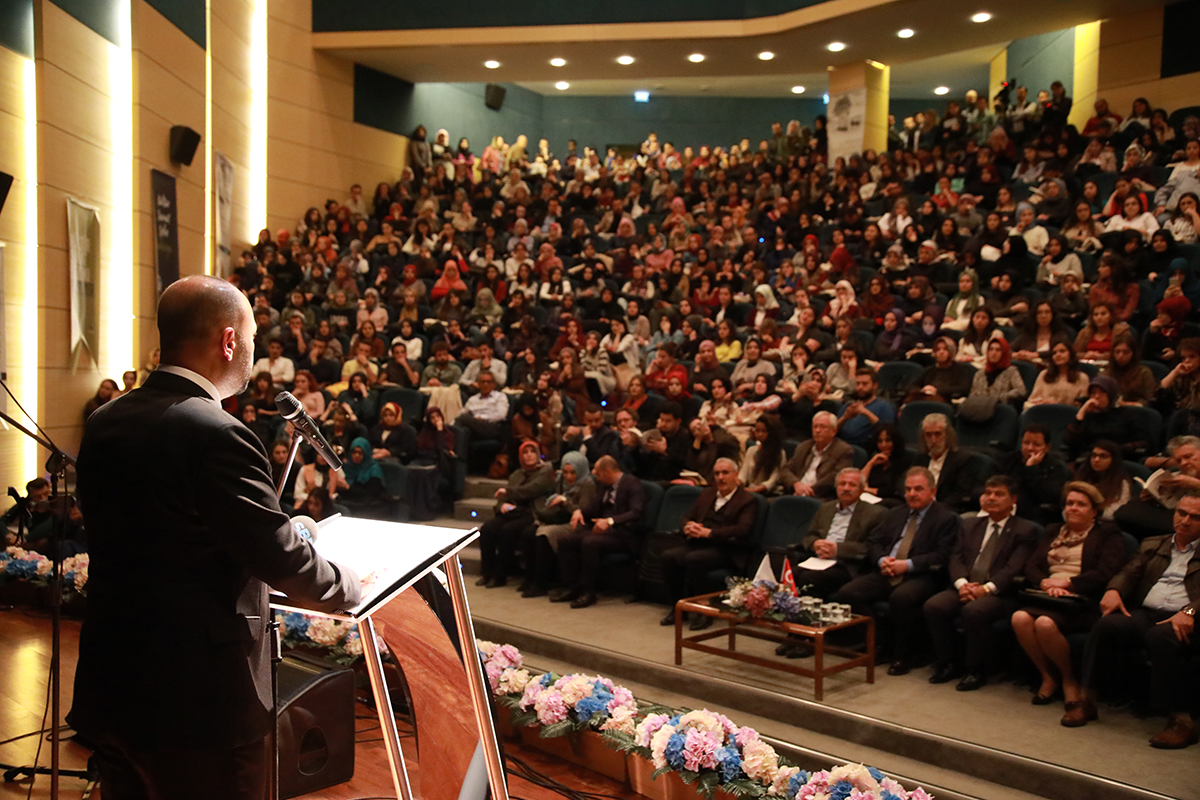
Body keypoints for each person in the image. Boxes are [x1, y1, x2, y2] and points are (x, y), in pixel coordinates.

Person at [73, 275, 361, 799]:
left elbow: (168, 531)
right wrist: (353, 584)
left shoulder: (105, 422)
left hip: (114, 682)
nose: (251, 353)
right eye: (250, 339)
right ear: (229, 341)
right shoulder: (218, 433)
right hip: (199, 703)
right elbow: (280, 560)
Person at [1078, 492, 1200, 746]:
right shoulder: (1154, 543)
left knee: (1161, 637)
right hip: (1148, 612)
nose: (1185, 521)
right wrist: (1114, 590)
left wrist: (1188, 613)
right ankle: (1086, 700)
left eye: (1195, 517)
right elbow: (1128, 572)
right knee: (1107, 625)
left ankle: (1182, 720)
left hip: (1188, 617)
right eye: (1181, 513)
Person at [1010, 482, 1127, 721]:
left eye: (1081, 504)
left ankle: (1069, 680)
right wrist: (1044, 582)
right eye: (1070, 503)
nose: (1073, 508)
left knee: (1044, 624)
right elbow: (1031, 565)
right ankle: (1047, 677)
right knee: (1019, 618)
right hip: (1047, 595)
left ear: (1094, 510)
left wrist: (1069, 584)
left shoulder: (1107, 533)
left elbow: (1107, 571)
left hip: (1082, 599)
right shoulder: (1054, 530)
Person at [832, 467, 961, 675]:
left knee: (901, 598)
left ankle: (904, 654)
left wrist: (907, 564)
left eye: (918, 489)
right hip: (888, 569)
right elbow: (874, 543)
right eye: (908, 489)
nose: (912, 494)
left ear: (933, 491)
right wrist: (883, 559)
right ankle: (881, 643)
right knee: (849, 592)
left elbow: (942, 556)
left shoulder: (946, 518)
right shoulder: (895, 513)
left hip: (922, 575)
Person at [923, 476, 1040, 691]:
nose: (991, 498)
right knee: (934, 606)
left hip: (1000, 593)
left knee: (973, 611)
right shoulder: (969, 524)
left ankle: (975, 669)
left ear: (1013, 499)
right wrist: (962, 585)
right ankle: (948, 662)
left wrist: (985, 589)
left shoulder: (1025, 530)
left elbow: (1013, 568)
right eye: (988, 493)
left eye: (999, 494)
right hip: (966, 586)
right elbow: (956, 558)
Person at [659, 458, 758, 629]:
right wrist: (688, 526)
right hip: (700, 544)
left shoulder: (747, 500)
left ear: (736, 475)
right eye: (717, 473)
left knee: (694, 559)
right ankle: (678, 607)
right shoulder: (707, 494)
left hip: (728, 549)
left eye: (725, 473)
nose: (721, 477)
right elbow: (686, 517)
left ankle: (705, 611)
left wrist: (710, 532)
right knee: (668, 556)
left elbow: (743, 530)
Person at [550, 455, 646, 609]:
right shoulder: (603, 486)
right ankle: (573, 587)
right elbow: (593, 508)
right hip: (600, 530)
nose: (597, 478)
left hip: (623, 533)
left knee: (590, 542)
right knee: (565, 540)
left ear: (608, 471)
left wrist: (610, 521)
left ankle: (588, 592)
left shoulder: (633, 484)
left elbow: (636, 512)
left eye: (599, 474)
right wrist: (579, 511)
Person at [476, 440, 555, 588]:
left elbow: (532, 490)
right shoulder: (517, 474)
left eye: (532, 452)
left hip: (531, 512)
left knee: (508, 531)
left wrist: (509, 492)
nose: (529, 455)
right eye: (525, 452)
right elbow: (504, 497)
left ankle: (500, 575)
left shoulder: (546, 471)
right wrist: (502, 505)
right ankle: (487, 573)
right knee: (488, 529)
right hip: (513, 512)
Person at [523, 451, 596, 598]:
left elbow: (584, 511)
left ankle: (541, 583)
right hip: (559, 518)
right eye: (566, 472)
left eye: (573, 472)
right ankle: (531, 578)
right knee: (529, 532)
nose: (569, 476)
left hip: (577, 523)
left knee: (544, 535)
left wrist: (564, 501)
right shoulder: (561, 481)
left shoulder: (588, 484)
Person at [996, 425, 1071, 526]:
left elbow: (1049, 496)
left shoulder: (1056, 467)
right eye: (1026, 443)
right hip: (1001, 510)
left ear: (1047, 447)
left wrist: (1031, 469)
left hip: (1033, 516)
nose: (1030, 448)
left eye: (1036, 444)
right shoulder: (1007, 460)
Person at [779, 411, 855, 498]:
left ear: (833, 431)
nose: (817, 430)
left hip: (820, 497)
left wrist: (806, 491)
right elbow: (786, 470)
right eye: (815, 427)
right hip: (795, 492)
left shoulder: (843, 450)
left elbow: (834, 478)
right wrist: (796, 484)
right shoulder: (803, 446)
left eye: (823, 427)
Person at [913, 414, 977, 512]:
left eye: (938, 434)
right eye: (928, 435)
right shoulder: (920, 459)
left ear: (947, 435)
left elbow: (961, 494)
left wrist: (933, 507)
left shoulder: (963, 460)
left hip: (945, 510)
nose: (933, 440)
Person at [836, 368, 896, 448]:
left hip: (865, 447)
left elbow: (887, 433)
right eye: (858, 384)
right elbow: (833, 431)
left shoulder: (884, 406)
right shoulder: (848, 405)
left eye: (865, 384)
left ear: (875, 385)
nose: (860, 387)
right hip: (841, 445)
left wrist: (866, 412)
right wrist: (845, 418)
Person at [455, 371, 509, 449]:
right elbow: (463, 412)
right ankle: (459, 457)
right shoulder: (473, 399)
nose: (485, 384)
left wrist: (483, 417)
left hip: (492, 426)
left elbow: (501, 415)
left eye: (488, 382)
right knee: (462, 430)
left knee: (463, 419)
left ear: (493, 385)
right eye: (483, 382)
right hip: (475, 427)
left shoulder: (500, 396)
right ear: (478, 384)